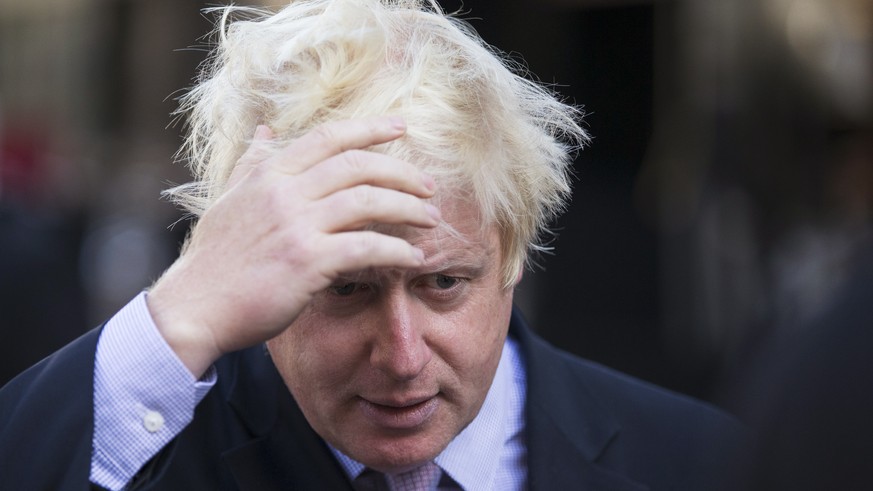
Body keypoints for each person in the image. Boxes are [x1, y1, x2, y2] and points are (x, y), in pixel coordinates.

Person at [0, 1, 743, 489]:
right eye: (347, 287)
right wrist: (179, 313)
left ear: (512, 253)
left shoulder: (699, 460)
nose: (401, 354)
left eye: (443, 283)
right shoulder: (149, 456)